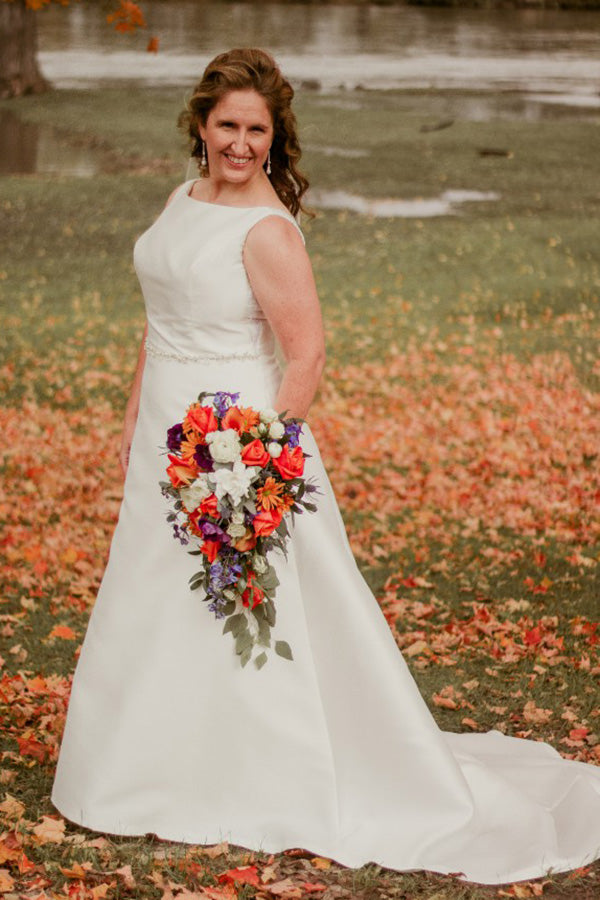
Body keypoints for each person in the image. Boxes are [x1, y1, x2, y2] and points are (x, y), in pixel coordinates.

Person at [51, 47, 600, 885]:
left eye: (256, 131)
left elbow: (305, 357)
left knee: (241, 609)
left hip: (232, 445)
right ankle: (152, 761)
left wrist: (256, 472)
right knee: (155, 598)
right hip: (166, 431)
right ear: (201, 125)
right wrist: (133, 420)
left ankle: (254, 772)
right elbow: (157, 325)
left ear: (275, 138)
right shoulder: (182, 199)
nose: (240, 144)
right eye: (227, 126)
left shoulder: (267, 231)